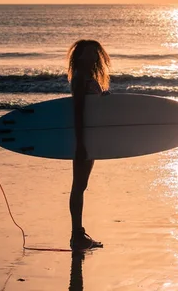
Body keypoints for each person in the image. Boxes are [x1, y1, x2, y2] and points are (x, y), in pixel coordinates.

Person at [67, 39, 110, 250]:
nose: (93, 56)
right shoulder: (80, 79)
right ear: (79, 55)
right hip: (83, 139)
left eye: (95, 53)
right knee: (78, 186)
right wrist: (80, 143)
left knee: (81, 186)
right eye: (89, 52)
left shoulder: (88, 78)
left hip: (89, 138)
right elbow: (78, 112)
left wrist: (104, 99)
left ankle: (78, 235)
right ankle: (77, 236)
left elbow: (92, 110)